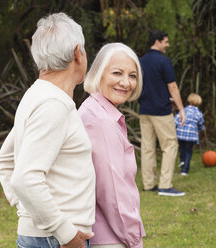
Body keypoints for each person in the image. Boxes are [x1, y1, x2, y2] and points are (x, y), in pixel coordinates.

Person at [0, 13, 95, 248]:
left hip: (48, 236)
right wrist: (64, 233)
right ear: (77, 53)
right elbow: (25, 178)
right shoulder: (53, 105)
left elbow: (3, 161)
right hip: (56, 240)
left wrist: (30, 211)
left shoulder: (37, 96)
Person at [78, 43, 146, 248]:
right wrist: (134, 240)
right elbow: (113, 194)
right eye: (117, 73)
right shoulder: (101, 121)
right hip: (109, 238)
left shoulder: (95, 110)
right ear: (99, 73)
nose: (126, 82)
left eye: (132, 76)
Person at [138, 30, 186, 196]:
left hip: (144, 110)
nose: (168, 44)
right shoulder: (164, 61)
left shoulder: (141, 61)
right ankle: (165, 186)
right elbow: (172, 87)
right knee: (170, 145)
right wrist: (181, 109)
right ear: (157, 42)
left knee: (147, 148)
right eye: (166, 41)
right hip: (161, 111)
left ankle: (149, 184)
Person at [175, 93, 205, 176]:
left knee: (182, 149)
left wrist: (176, 127)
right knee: (188, 151)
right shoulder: (198, 113)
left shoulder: (183, 110)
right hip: (191, 136)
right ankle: (185, 170)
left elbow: (176, 120)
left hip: (180, 135)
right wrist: (201, 129)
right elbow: (200, 124)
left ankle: (182, 161)